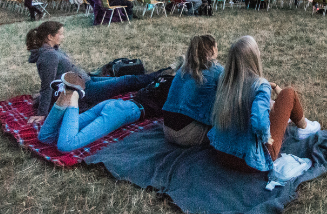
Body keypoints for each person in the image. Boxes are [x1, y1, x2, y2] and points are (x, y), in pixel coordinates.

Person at [208, 36, 321, 173]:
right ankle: (305, 128)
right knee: (288, 93)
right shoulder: (259, 86)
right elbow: (260, 124)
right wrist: (267, 138)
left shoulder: (225, 80)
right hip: (249, 160)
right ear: (253, 57)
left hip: (222, 153)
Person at [25, 21, 161, 124]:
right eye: (60, 34)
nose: (63, 36)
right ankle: (163, 76)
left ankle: (161, 75)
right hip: (86, 90)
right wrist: (42, 112)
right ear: (50, 36)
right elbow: (47, 84)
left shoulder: (53, 49)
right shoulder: (49, 56)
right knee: (127, 81)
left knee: (125, 78)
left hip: (87, 80)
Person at [37, 69, 174, 153]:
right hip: (124, 111)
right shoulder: (175, 87)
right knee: (66, 145)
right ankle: (74, 96)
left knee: (46, 137)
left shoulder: (162, 79)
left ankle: (64, 98)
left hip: (114, 104)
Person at [161, 35, 224, 146]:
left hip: (166, 129)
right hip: (188, 133)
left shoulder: (182, 70)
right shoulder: (217, 70)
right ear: (212, 49)